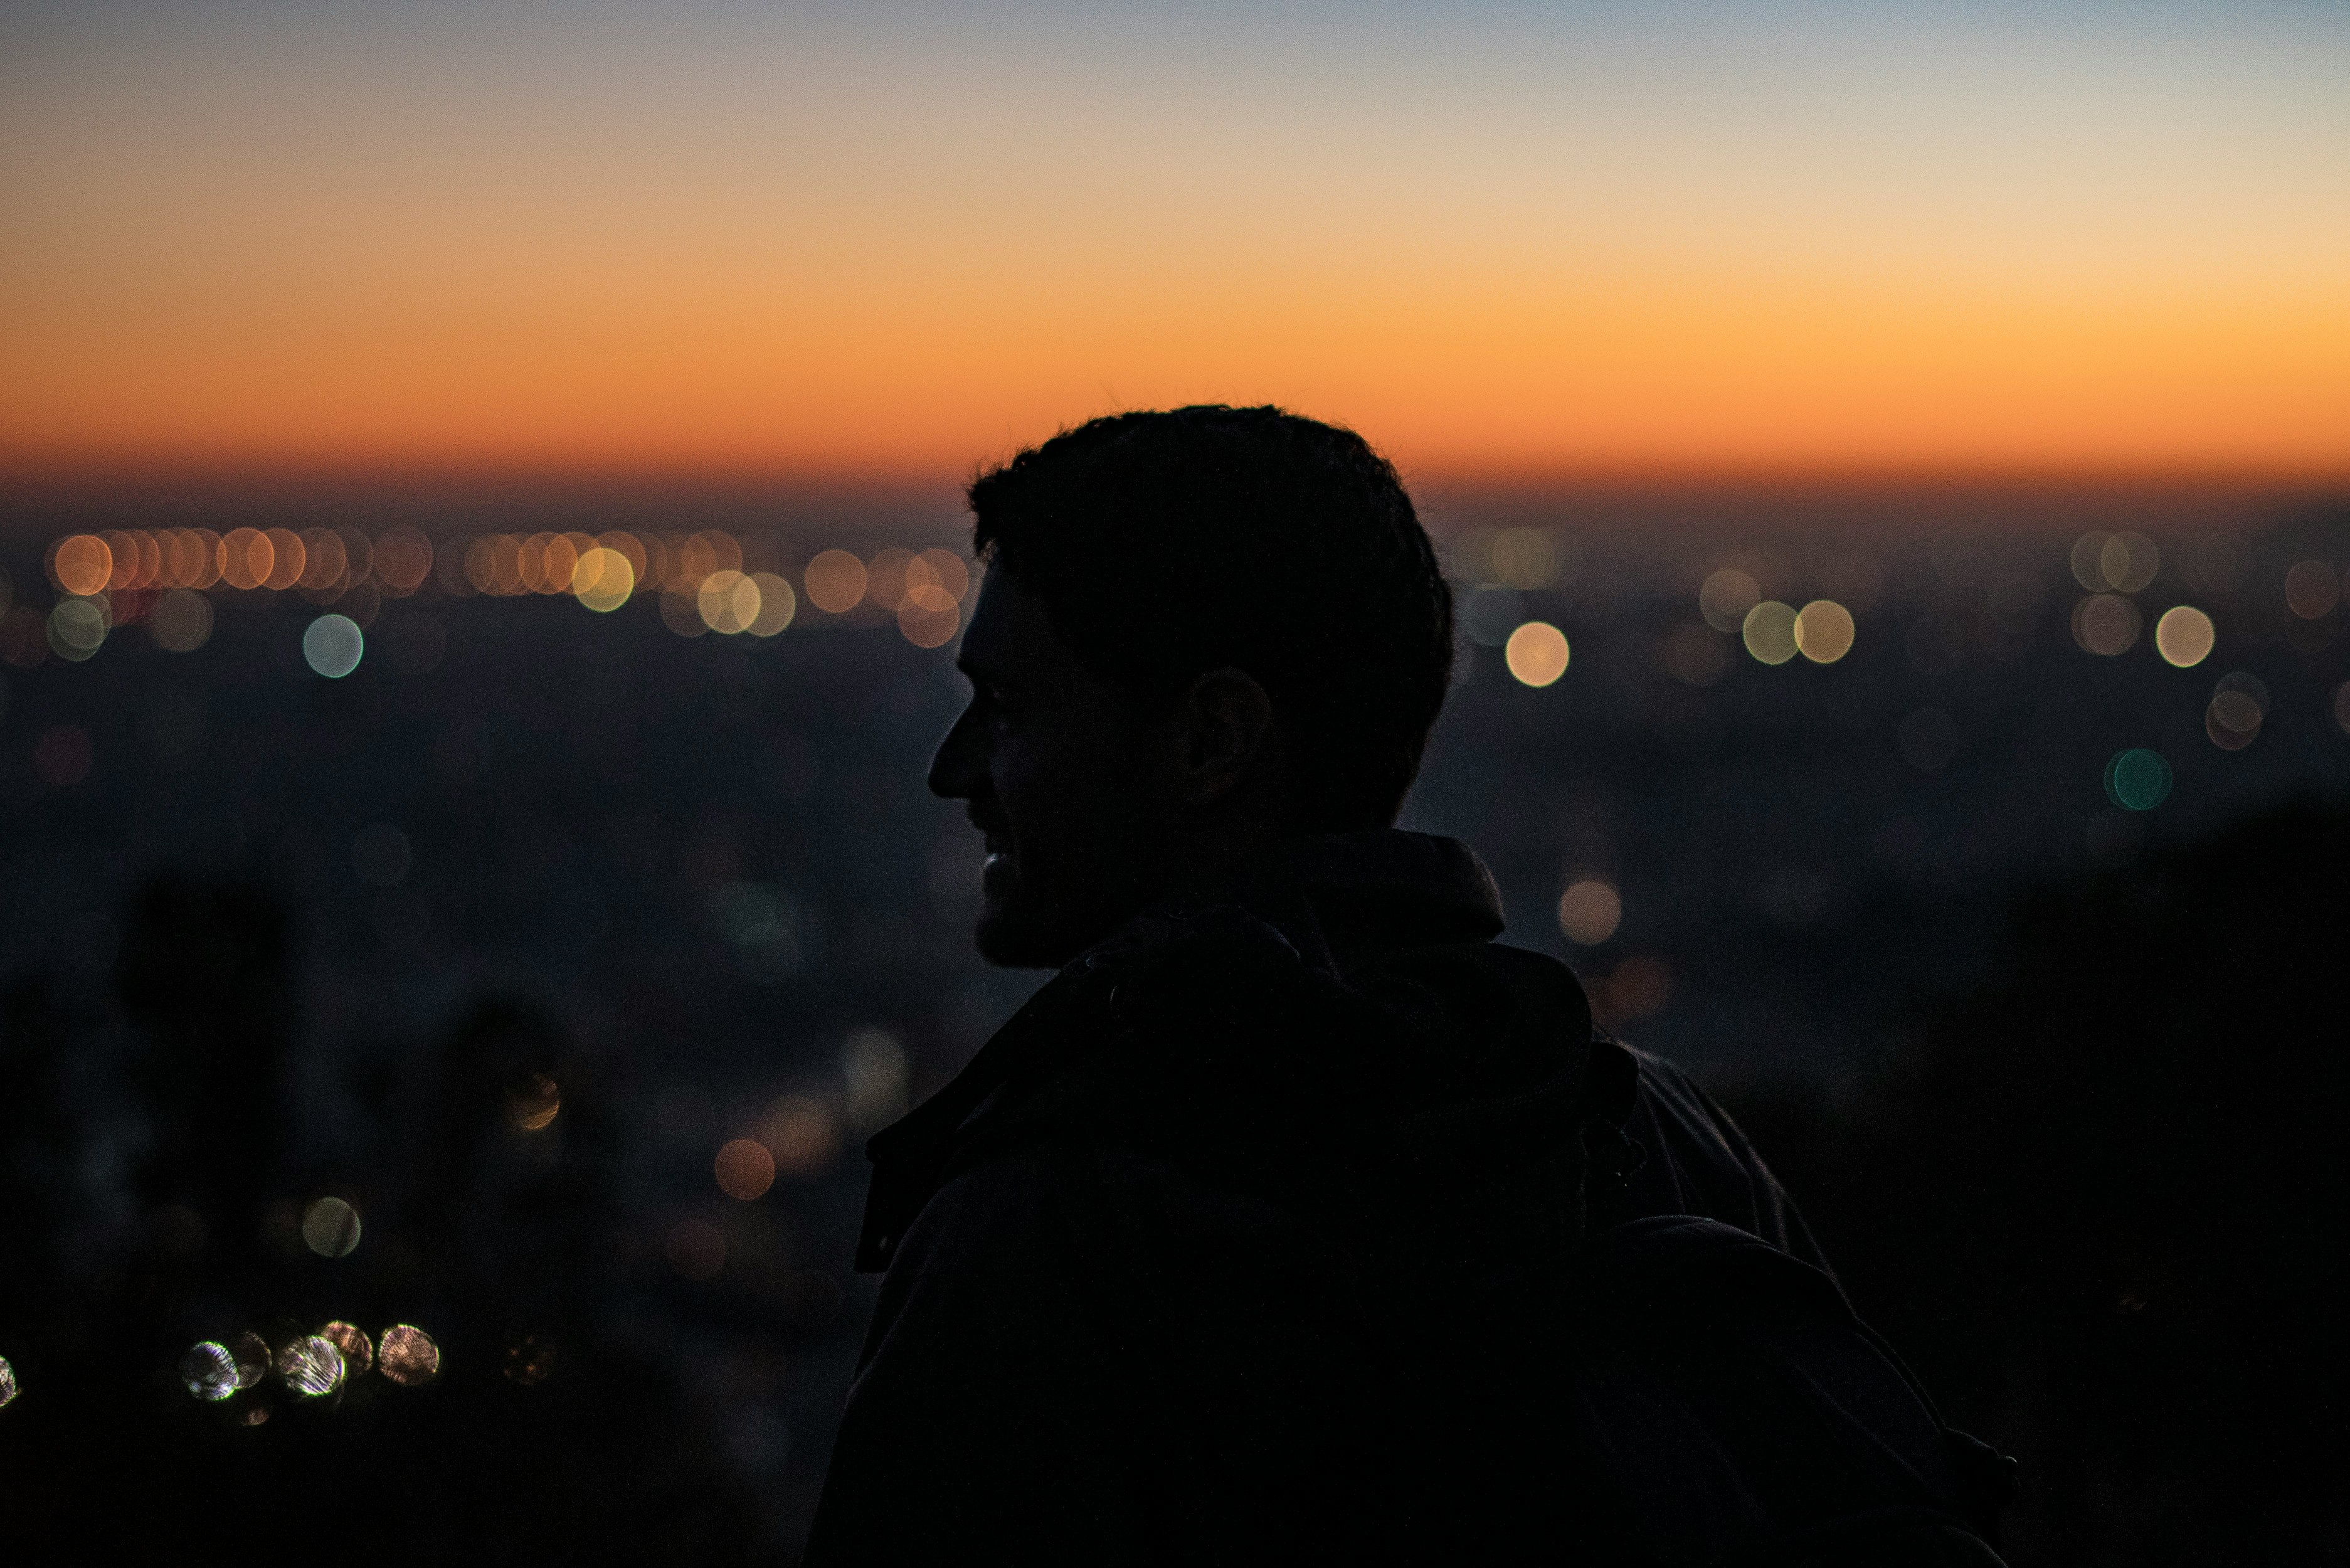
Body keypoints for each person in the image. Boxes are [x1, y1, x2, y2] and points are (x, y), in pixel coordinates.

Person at [807, 406, 2006, 1563]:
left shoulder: (1051, 1239)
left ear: (1213, 741)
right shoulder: (1655, 1139)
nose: (950, 768)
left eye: (1009, 708)